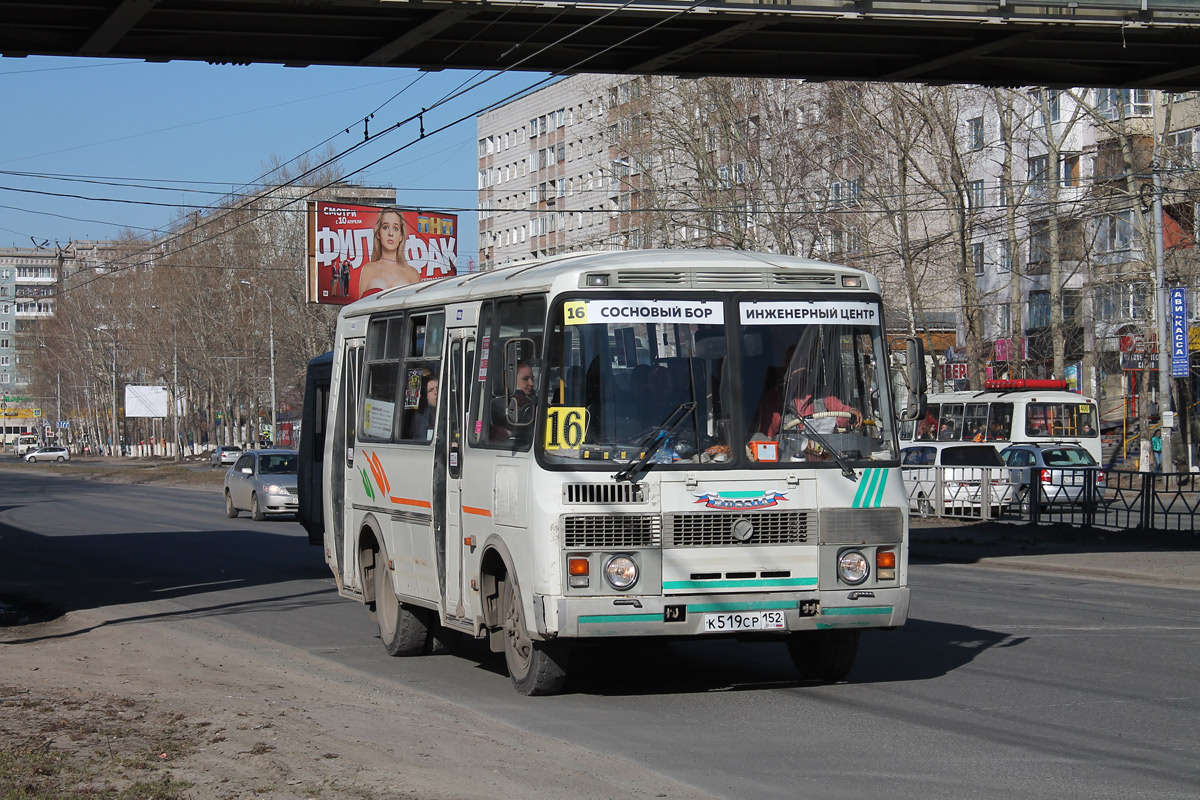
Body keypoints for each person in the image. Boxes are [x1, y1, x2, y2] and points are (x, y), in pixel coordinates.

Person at [752, 362, 862, 439]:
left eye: (804, 372)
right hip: (788, 458)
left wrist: (851, 413)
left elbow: (840, 413)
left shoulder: (824, 393)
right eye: (797, 373)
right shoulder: (775, 396)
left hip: (825, 456)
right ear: (788, 374)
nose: (801, 378)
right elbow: (768, 432)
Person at [357, 208, 420, 297]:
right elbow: (359, 307)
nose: (390, 233)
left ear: (401, 236)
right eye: (385, 227)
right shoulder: (368, 269)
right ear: (378, 233)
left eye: (395, 228)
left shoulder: (412, 274)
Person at [490, 361, 537, 445]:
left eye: (532, 379)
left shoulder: (496, 397)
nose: (531, 383)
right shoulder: (523, 402)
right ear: (511, 379)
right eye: (525, 379)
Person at [409, 375, 439, 442]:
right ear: (424, 396)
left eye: (437, 388)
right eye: (431, 390)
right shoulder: (421, 417)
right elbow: (422, 442)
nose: (436, 392)